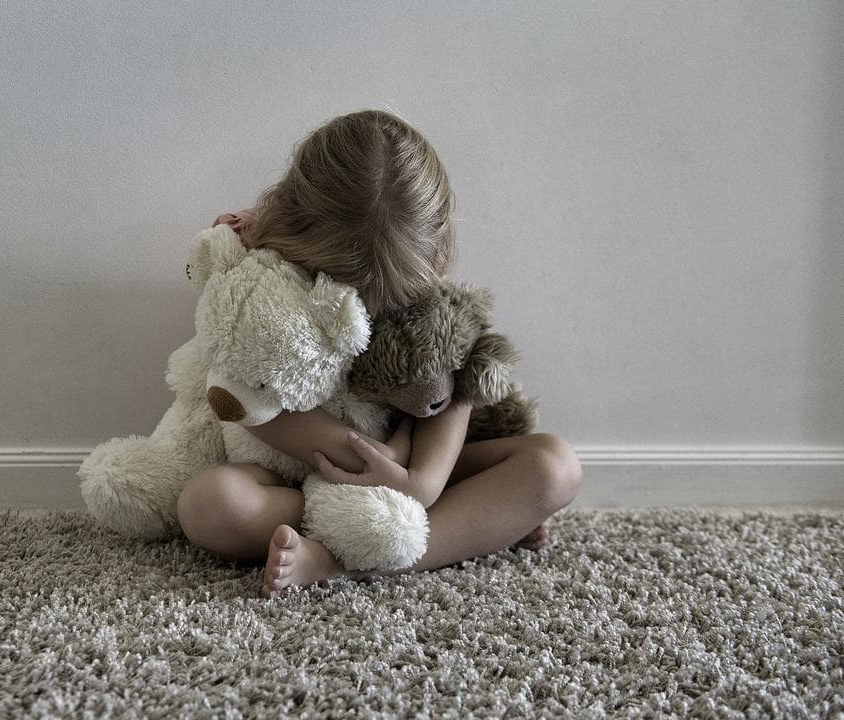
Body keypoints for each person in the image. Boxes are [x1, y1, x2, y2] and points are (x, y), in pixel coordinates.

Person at [178, 110, 581, 596]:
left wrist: (419, 483)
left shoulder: (429, 286)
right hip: (297, 477)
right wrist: (377, 458)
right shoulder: (256, 272)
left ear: (437, 249)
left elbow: (454, 392)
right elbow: (242, 397)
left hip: (406, 474)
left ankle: (342, 561)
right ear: (291, 226)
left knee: (555, 466)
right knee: (209, 505)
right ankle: (461, 530)